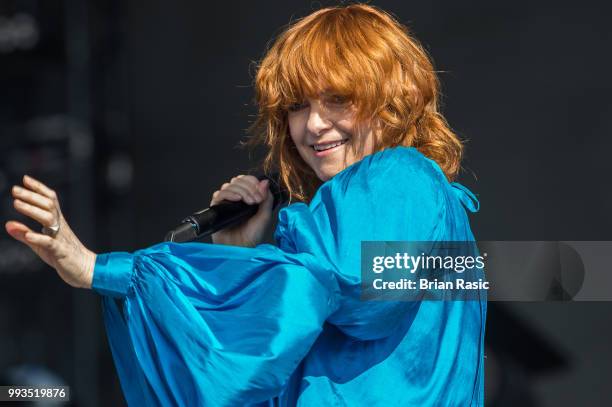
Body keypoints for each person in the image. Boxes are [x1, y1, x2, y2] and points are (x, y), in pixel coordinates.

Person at [5, 4, 486, 406]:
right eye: (297, 105)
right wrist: (240, 254)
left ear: (391, 101)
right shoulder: (418, 202)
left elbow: (345, 288)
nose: (314, 124)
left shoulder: (398, 175)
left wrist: (102, 270)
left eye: (338, 99)